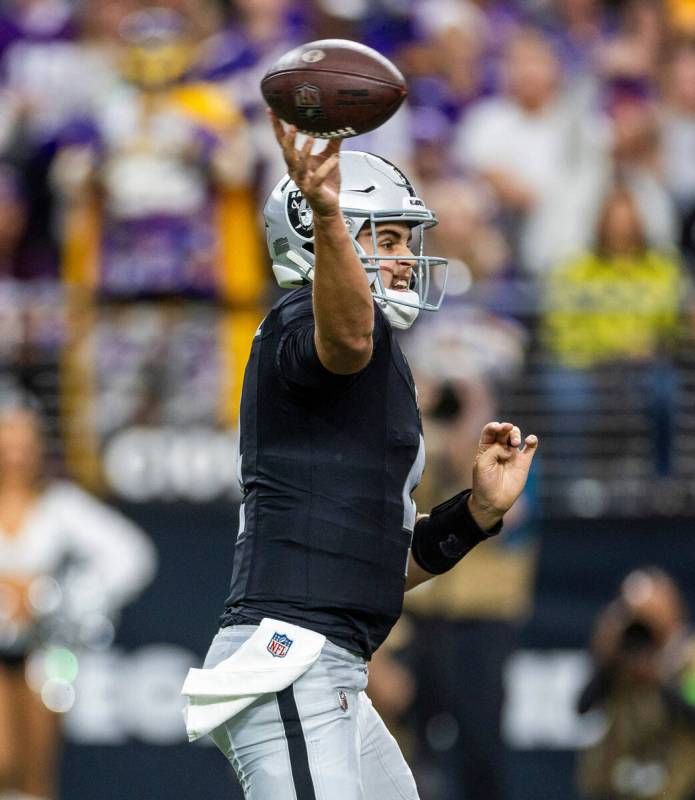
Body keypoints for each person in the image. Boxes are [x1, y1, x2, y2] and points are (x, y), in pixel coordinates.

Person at [181, 113, 538, 799]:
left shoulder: (379, 367)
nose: (407, 256)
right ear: (323, 239)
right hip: (293, 661)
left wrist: (475, 514)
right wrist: (325, 206)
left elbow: (375, 562)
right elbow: (343, 338)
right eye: (391, 237)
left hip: (333, 666)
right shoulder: (305, 322)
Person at [0, 395, 157, 800]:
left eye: (24, 442)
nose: (15, 454)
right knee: (3, 762)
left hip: (42, 655)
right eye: (7, 441)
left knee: (36, 773)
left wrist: (47, 595)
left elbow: (130, 556)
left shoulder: (60, 507)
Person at [576, 567, 695, 800]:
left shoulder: (689, 657)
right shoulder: (618, 654)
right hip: (618, 784)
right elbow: (583, 706)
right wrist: (608, 661)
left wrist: (661, 678)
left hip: (678, 784)